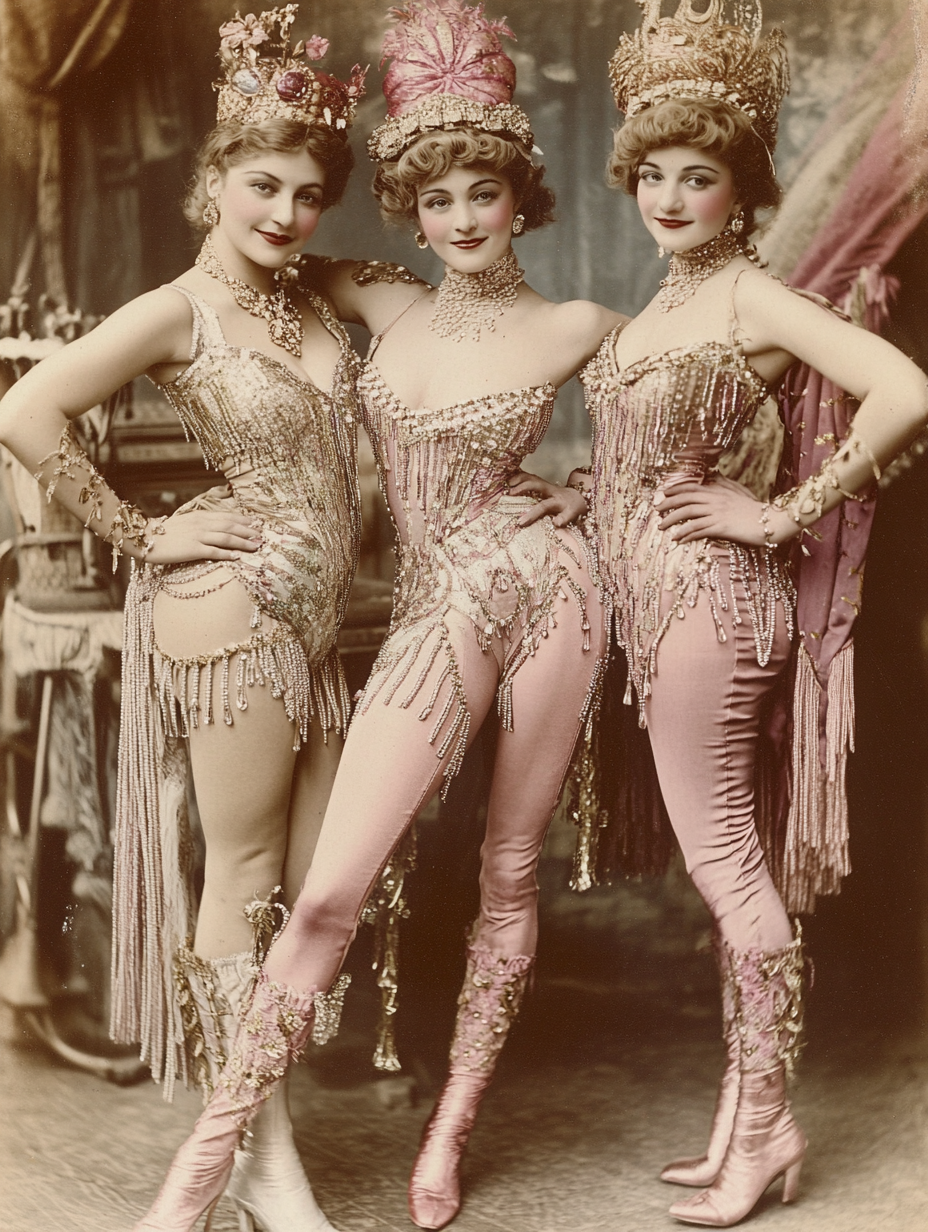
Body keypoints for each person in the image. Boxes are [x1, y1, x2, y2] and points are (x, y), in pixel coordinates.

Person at [126, 3, 625, 1229]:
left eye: (486, 195)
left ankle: (448, 1133)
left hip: (550, 593)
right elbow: (249, 278)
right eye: (439, 196)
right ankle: (204, 1169)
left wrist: (590, 492)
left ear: (521, 200)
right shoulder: (376, 297)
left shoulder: (577, 327)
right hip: (428, 606)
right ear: (410, 205)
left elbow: (705, 405)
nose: (462, 218)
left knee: (512, 869)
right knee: (324, 897)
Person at [544, 1, 928, 1227]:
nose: (666, 196)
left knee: (723, 863)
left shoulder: (758, 298)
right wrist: (591, 491)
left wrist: (777, 514)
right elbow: (651, 448)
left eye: (695, 176)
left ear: (738, 188)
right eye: (650, 174)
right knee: (731, 865)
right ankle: (735, 1116)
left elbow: (901, 390)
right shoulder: (661, 306)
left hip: (716, 605)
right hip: (664, 608)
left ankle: (766, 1124)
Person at [0, 9, 368, 1232]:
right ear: (211, 179)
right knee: (253, 879)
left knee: (319, 888)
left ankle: (243, 1140)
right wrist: (145, 532)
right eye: (262, 183)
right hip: (237, 611)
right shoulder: (177, 309)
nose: (285, 211)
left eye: (309, 193)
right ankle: (257, 1158)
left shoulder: (318, 298)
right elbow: (31, 410)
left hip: (328, 617)